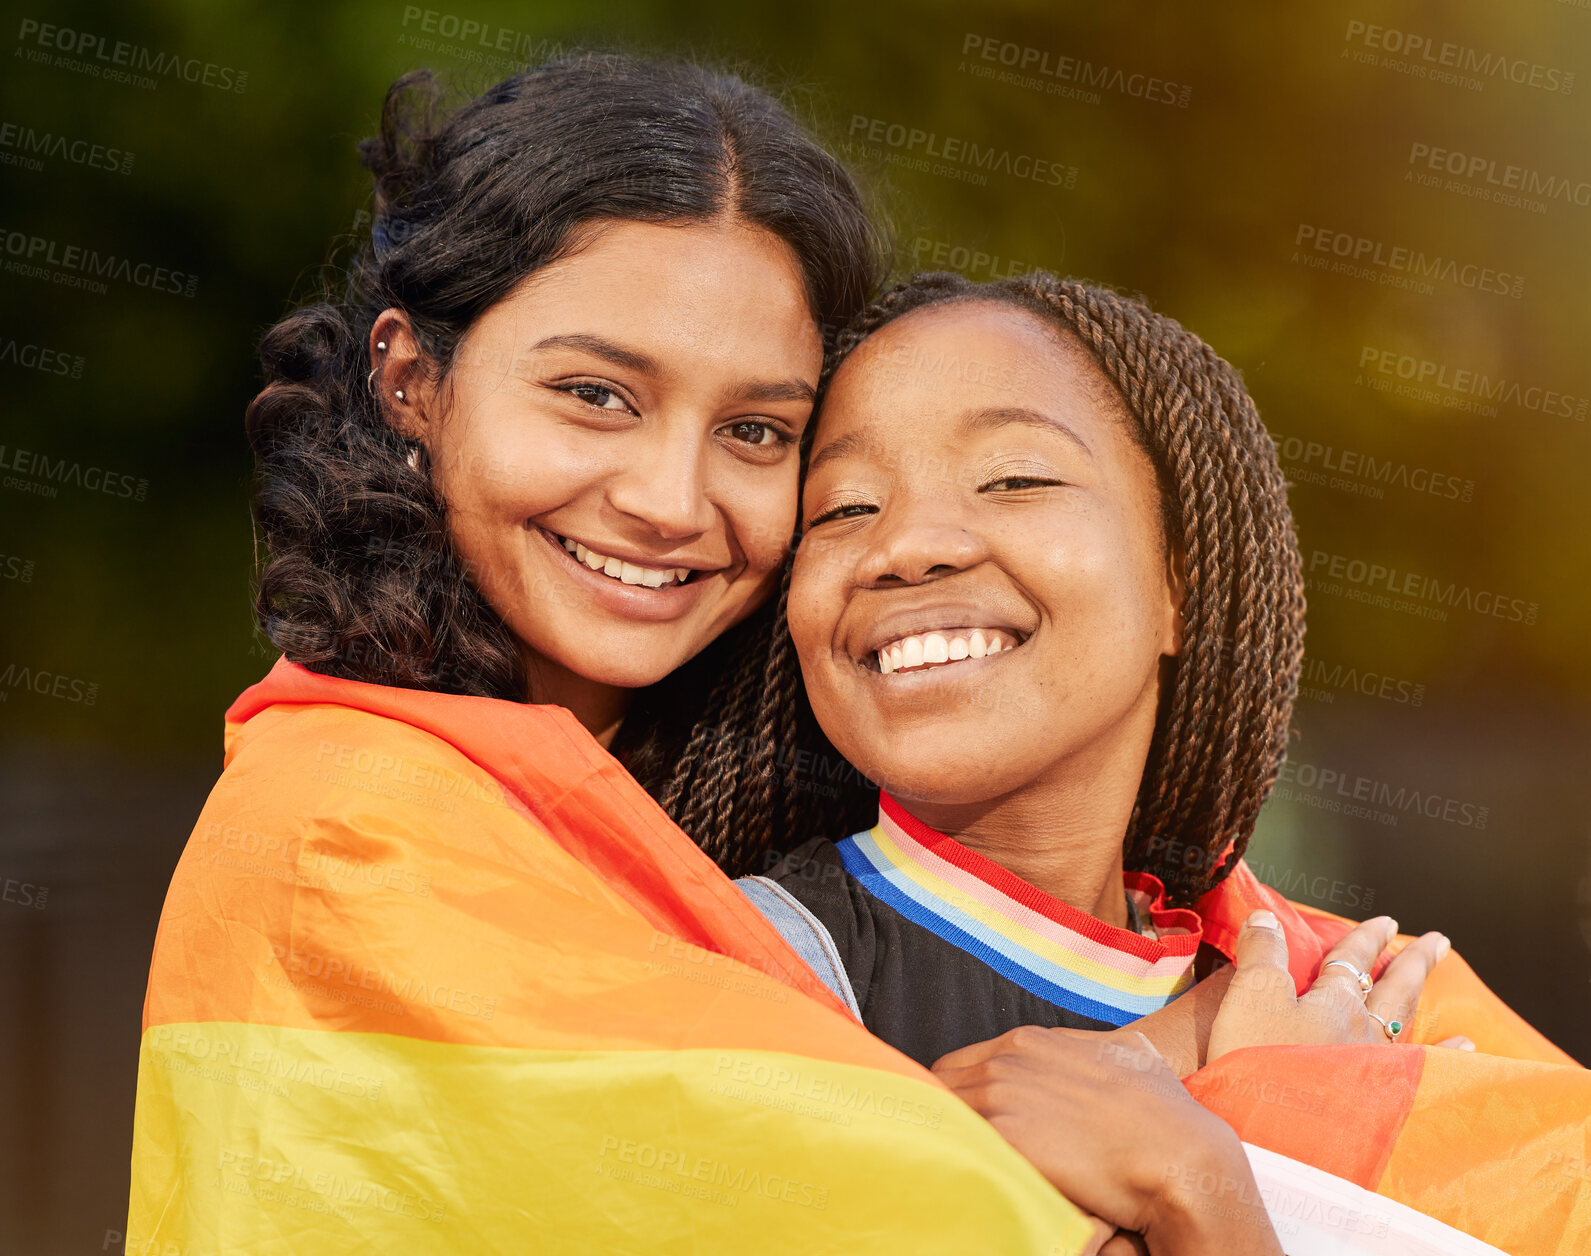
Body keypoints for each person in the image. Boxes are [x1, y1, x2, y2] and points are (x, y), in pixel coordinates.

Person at [127, 57, 1276, 1255]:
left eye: (755, 430)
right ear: (413, 380)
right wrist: (1196, 1084)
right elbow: (879, 1200)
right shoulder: (337, 833)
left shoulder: (734, 812)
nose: (672, 500)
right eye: (595, 394)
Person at [746, 269, 1590, 1255]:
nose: (909, 545)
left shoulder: (1376, 998)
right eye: (842, 506)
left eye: (1014, 477)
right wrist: (1225, 1153)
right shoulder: (751, 961)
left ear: (1179, 584)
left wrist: (1214, 1160)